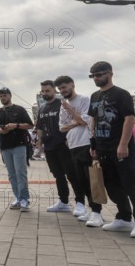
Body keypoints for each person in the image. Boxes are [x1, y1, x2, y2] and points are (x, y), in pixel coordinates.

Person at [87, 61, 135, 235]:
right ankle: (124, 217)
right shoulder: (94, 96)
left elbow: (129, 118)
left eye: (99, 74)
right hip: (102, 147)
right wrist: (93, 142)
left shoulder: (121, 94)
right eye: (93, 75)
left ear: (110, 73)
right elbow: (93, 120)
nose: (96, 78)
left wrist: (123, 144)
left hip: (120, 147)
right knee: (112, 184)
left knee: (130, 182)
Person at [55, 75, 104, 227]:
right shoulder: (62, 106)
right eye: (60, 89)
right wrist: (74, 122)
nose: (62, 91)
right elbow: (61, 128)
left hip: (86, 144)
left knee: (93, 179)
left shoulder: (84, 100)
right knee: (81, 180)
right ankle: (91, 209)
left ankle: (97, 212)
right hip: (73, 145)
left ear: (72, 85)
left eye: (64, 87)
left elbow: (84, 121)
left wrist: (70, 110)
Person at [37, 80, 84, 213]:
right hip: (50, 147)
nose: (45, 93)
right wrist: (39, 143)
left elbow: (73, 121)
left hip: (64, 146)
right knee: (58, 175)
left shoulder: (62, 104)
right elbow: (40, 127)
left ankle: (80, 202)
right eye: (43, 91)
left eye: (48, 90)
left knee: (72, 174)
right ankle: (63, 202)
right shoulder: (42, 109)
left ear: (54, 91)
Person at [0, 88, 34, 212]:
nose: (2, 98)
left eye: (4, 95)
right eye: (0, 96)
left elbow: (30, 125)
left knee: (20, 173)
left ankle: (24, 199)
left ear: (10, 96)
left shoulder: (19, 110)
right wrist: (3, 130)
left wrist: (15, 125)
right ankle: (17, 197)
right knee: (11, 175)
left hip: (19, 145)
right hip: (5, 146)